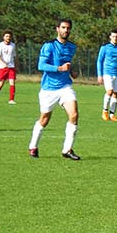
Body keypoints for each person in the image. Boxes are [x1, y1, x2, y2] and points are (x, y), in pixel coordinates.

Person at [28, 18, 81, 160]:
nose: (66, 30)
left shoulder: (71, 47)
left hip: (65, 86)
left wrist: (71, 72)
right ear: (57, 29)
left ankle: (67, 149)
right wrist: (59, 68)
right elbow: (41, 65)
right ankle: (33, 146)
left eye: (68, 28)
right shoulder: (49, 46)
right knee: (44, 120)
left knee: (74, 115)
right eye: (63, 27)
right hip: (49, 89)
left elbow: (67, 65)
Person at [96, 29, 117, 121]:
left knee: (115, 94)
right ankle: (104, 111)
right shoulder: (104, 47)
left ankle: (112, 114)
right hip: (107, 72)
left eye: (116, 36)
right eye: (113, 36)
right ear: (110, 37)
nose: (115, 38)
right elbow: (99, 61)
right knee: (110, 91)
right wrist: (99, 74)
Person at [0, 30, 18, 104]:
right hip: (2, 67)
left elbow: (14, 56)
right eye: (6, 36)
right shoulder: (0, 45)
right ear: (3, 37)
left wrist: (16, 65)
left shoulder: (13, 45)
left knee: (12, 82)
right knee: (1, 83)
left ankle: (11, 100)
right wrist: (2, 63)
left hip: (11, 66)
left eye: (9, 36)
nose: (8, 38)